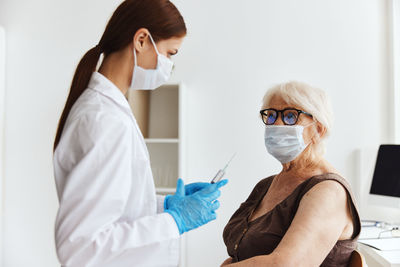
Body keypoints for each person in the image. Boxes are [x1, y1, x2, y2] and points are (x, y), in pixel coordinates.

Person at [53, 0, 227, 266]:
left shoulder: (110, 109)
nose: (169, 65)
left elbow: (115, 208)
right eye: (170, 53)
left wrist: (164, 206)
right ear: (142, 40)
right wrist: (174, 220)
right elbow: (81, 248)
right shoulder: (105, 120)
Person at [221, 81, 361, 267]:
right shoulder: (266, 185)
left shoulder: (329, 191)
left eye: (290, 116)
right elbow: (241, 249)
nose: (276, 124)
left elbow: (287, 264)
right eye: (270, 116)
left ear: (318, 130)